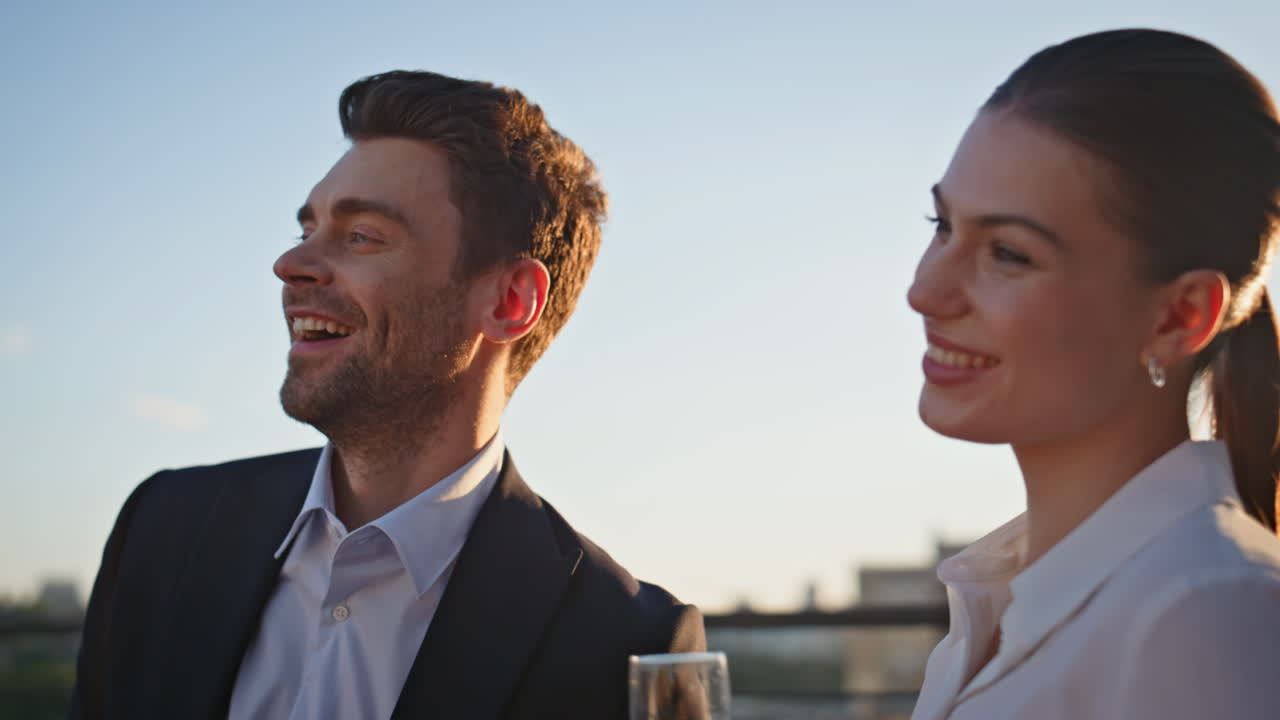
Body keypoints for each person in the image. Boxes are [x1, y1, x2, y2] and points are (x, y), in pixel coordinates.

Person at [70, 70, 704, 720]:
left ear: (510, 301)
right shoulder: (163, 531)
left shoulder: (626, 644)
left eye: (361, 236)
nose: (289, 266)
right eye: (306, 231)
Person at [906, 29, 1280, 720]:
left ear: (1180, 316)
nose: (924, 292)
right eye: (943, 224)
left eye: (1008, 253)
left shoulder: (1207, 614)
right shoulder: (998, 612)